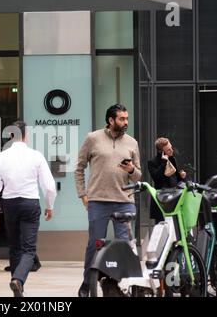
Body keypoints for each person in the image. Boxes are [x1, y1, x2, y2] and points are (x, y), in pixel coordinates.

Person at [74, 103, 142, 297]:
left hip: (125, 200)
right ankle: (87, 284)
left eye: (127, 118)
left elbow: (138, 176)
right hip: (98, 200)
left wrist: (131, 170)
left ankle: (117, 284)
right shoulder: (92, 138)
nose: (125, 122)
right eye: (122, 119)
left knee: (124, 245)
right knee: (94, 244)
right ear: (111, 120)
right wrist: (83, 194)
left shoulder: (132, 142)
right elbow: (79, 168)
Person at [0, 120, 57, 297]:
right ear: (26, 135)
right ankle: (18, 280)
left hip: (10, 204)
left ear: (10, 136)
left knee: (14, 247)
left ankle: (17, 286)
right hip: (30, 203)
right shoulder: (36, 156)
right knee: (29, 249)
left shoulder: (2, 157)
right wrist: (49, 205)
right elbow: (48, 186)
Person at [147, 137, 186, 223]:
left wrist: (182, 176)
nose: (172, 150)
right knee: (162, 225)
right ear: (161, 152)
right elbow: (156, 178)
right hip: (162, 199)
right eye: (168, 150)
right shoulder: (152, 162)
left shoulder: (172, 159)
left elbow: (176, 178)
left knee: (175, 225)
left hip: (174, 197)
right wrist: (163, 163)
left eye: (171, 147)